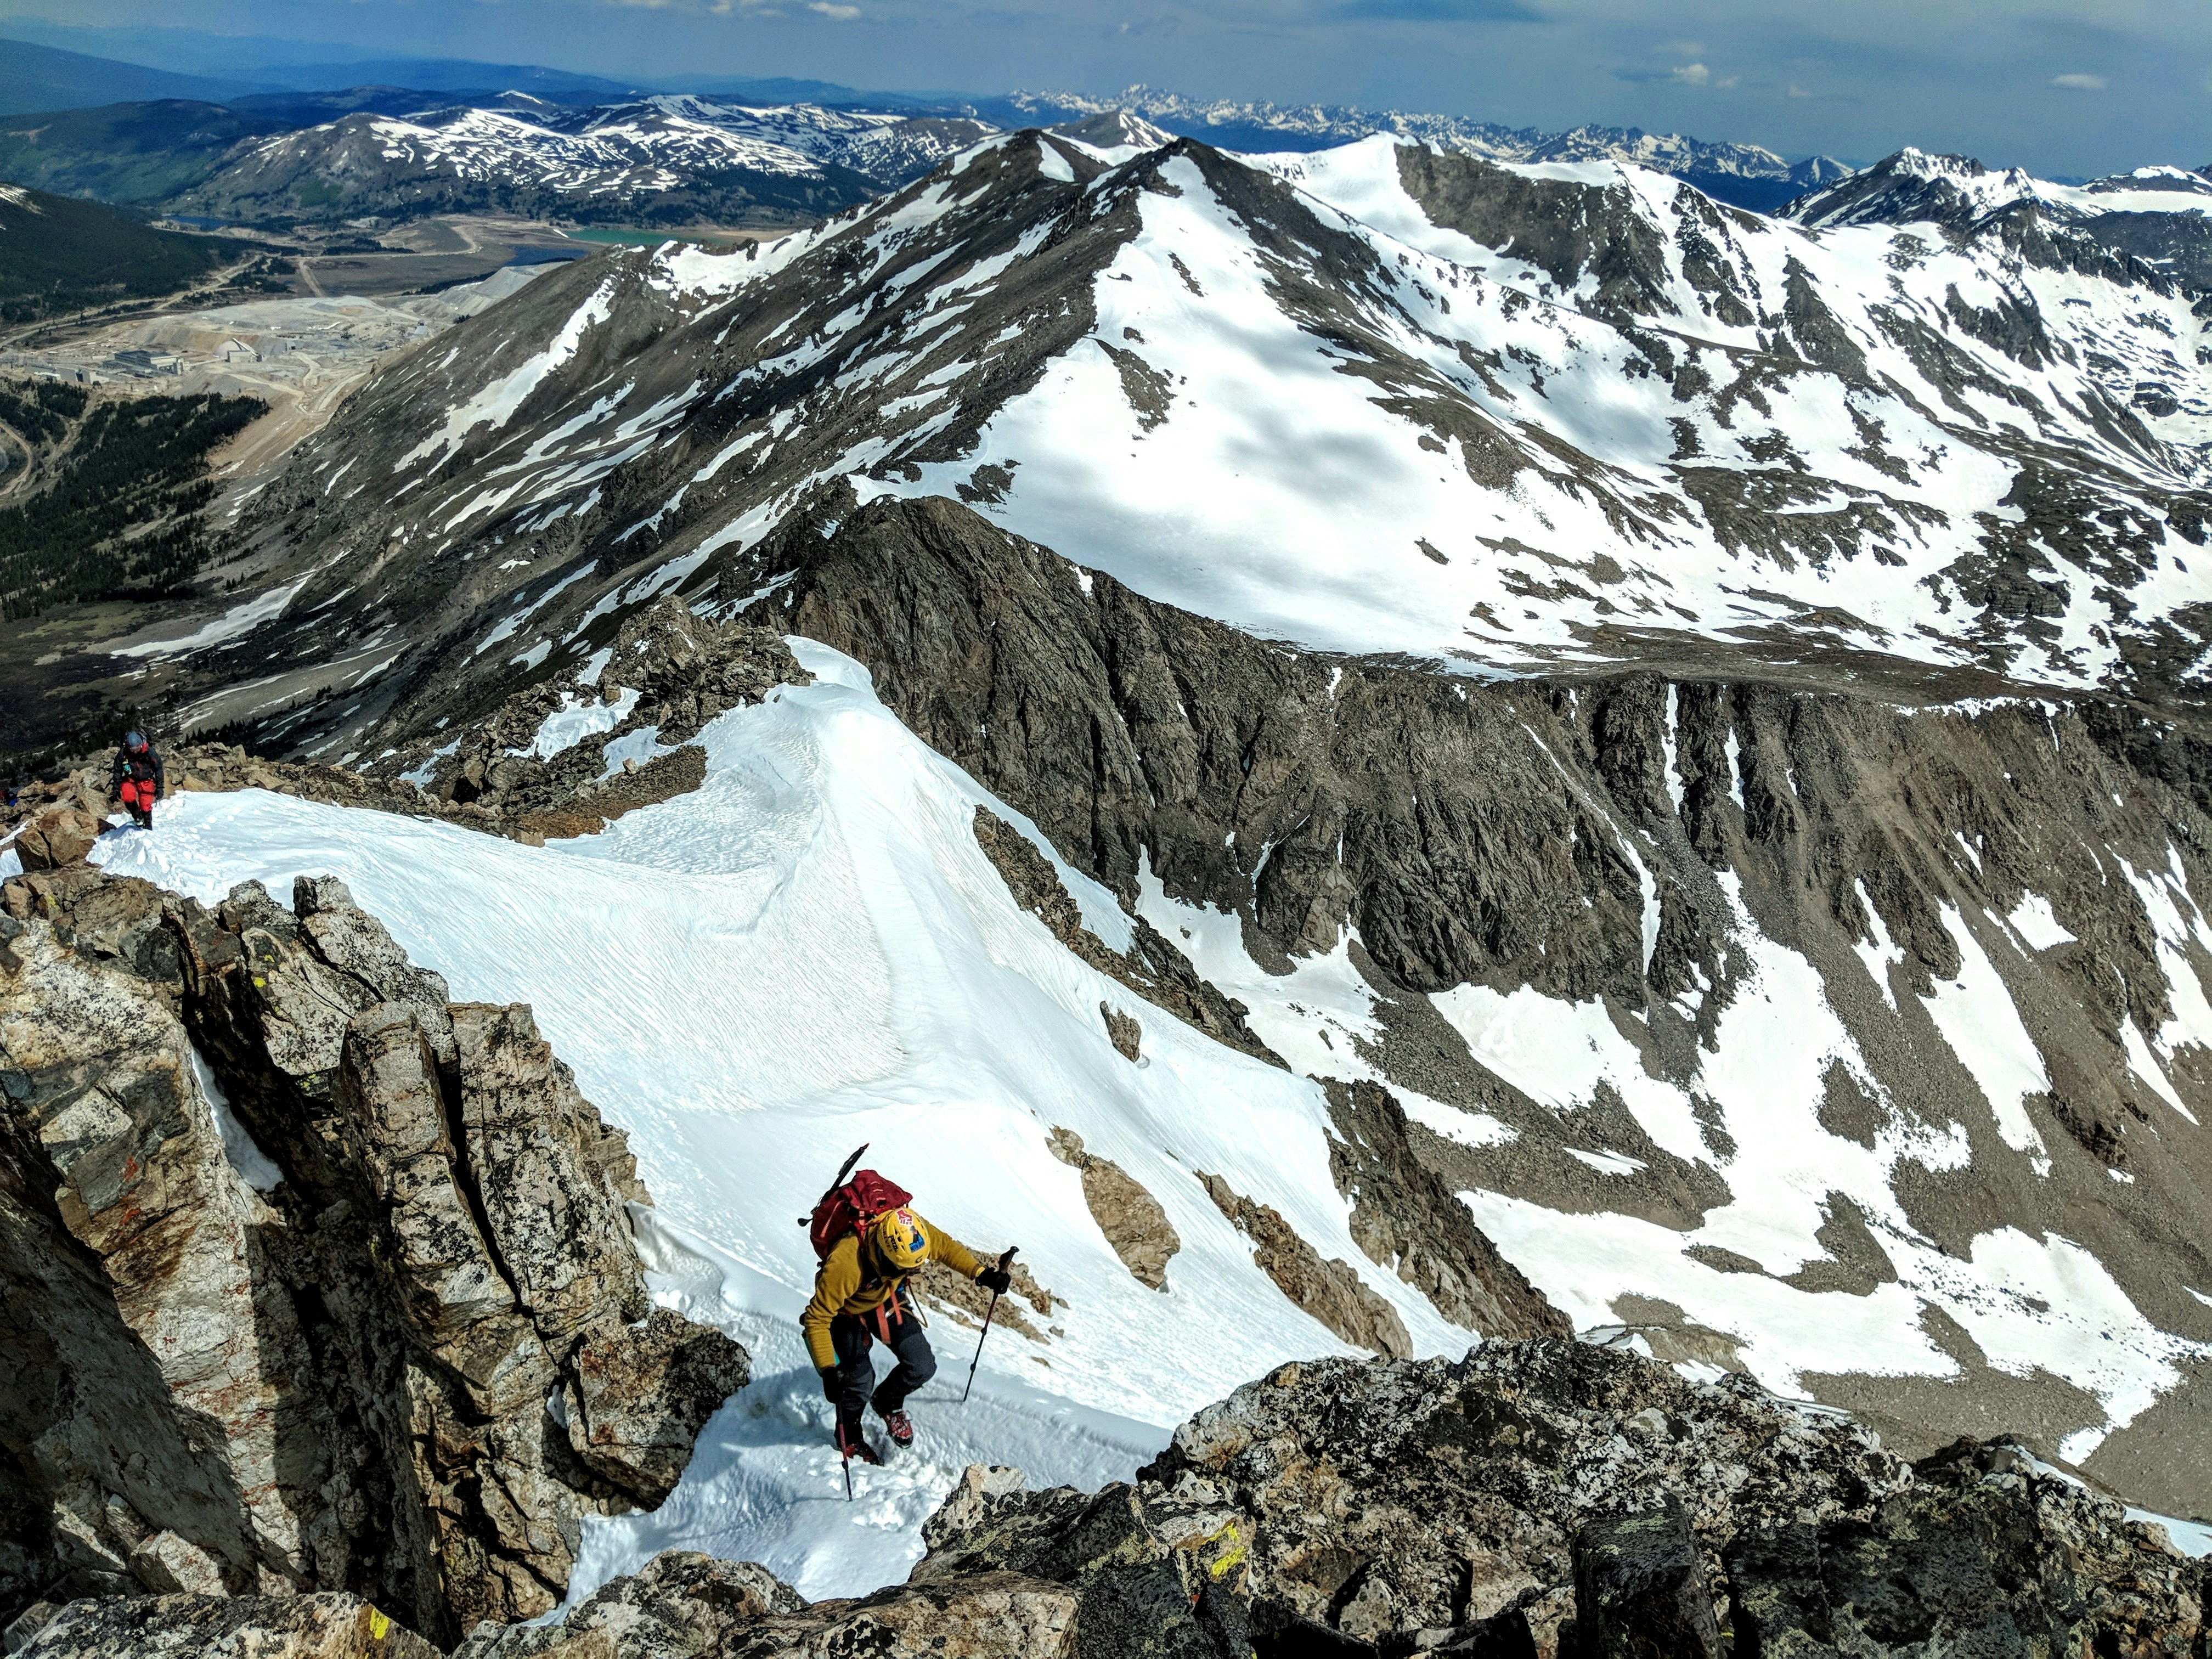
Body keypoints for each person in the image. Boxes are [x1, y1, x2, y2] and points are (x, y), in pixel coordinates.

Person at [802, 1206, 1013, 1462]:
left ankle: (887, 1402)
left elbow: (945, 1247)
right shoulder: (847, 1264)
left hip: (884, 1298)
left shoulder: (911, 1232)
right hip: (845, 1313)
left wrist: (981, 1274)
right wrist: (828, 1370)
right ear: (882, 1253)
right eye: (902, 1268)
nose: (909, 1274)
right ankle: (850, 1436)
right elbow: (817, 1318)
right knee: (858, 1381)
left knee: (922, 1365)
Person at [111, 730, 164, 830]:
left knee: (145, 806)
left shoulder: (150, 753)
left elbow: (159, 769)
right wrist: (116, 788)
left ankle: (148, 827)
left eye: (137, 748)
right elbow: (118, 771)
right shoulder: (123, 754)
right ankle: (138, 818)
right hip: (131, 779)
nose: (135, 751)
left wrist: (160, 787)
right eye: (132, 749)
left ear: (141, 744)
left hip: (146, 780)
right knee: (128, 797)